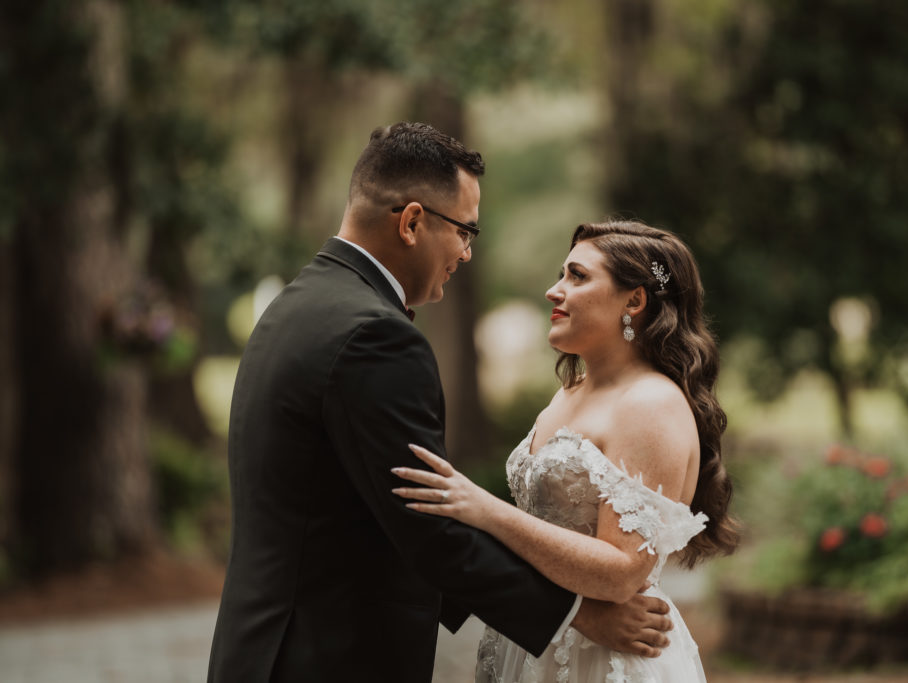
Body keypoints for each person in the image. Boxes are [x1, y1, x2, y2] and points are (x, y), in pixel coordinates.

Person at [206, 125, 675, 683]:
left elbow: (380, 512)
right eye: (464, 230)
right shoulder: (375, 337)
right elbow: (428, 523)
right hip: (330, 658)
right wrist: (579, 616)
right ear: (411, 222)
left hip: (266, 649)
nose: (468, 252)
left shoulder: (296, 305)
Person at [393, 220, 740, 682]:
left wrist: (485, 510)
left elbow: (621, 573)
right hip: (535, 640)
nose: (554, 291)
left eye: (577, 276)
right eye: (562, 274)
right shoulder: (569, 392)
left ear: (634, 300)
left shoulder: (649, 404)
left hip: (603, 658)